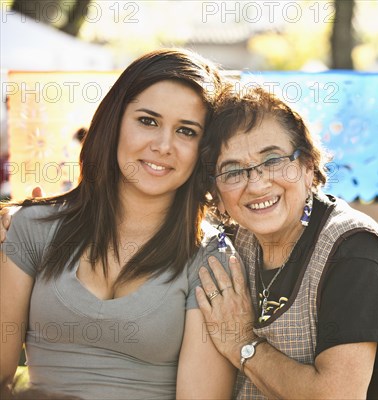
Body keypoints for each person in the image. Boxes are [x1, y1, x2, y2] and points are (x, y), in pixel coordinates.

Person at [0, 49, 236, 399]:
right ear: (114, 121)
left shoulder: (210, 258)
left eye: (186, 131)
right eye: (148, 121)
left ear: (204, 150)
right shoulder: (32, 227)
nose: (163, 145)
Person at [195, 86, 378, 399]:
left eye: (273, 160)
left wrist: (241, 343)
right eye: (233, 171)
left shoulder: (351, 248)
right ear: (217, 196)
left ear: (307, 166)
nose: (257, 183)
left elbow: (337, 395)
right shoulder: (228, 244)